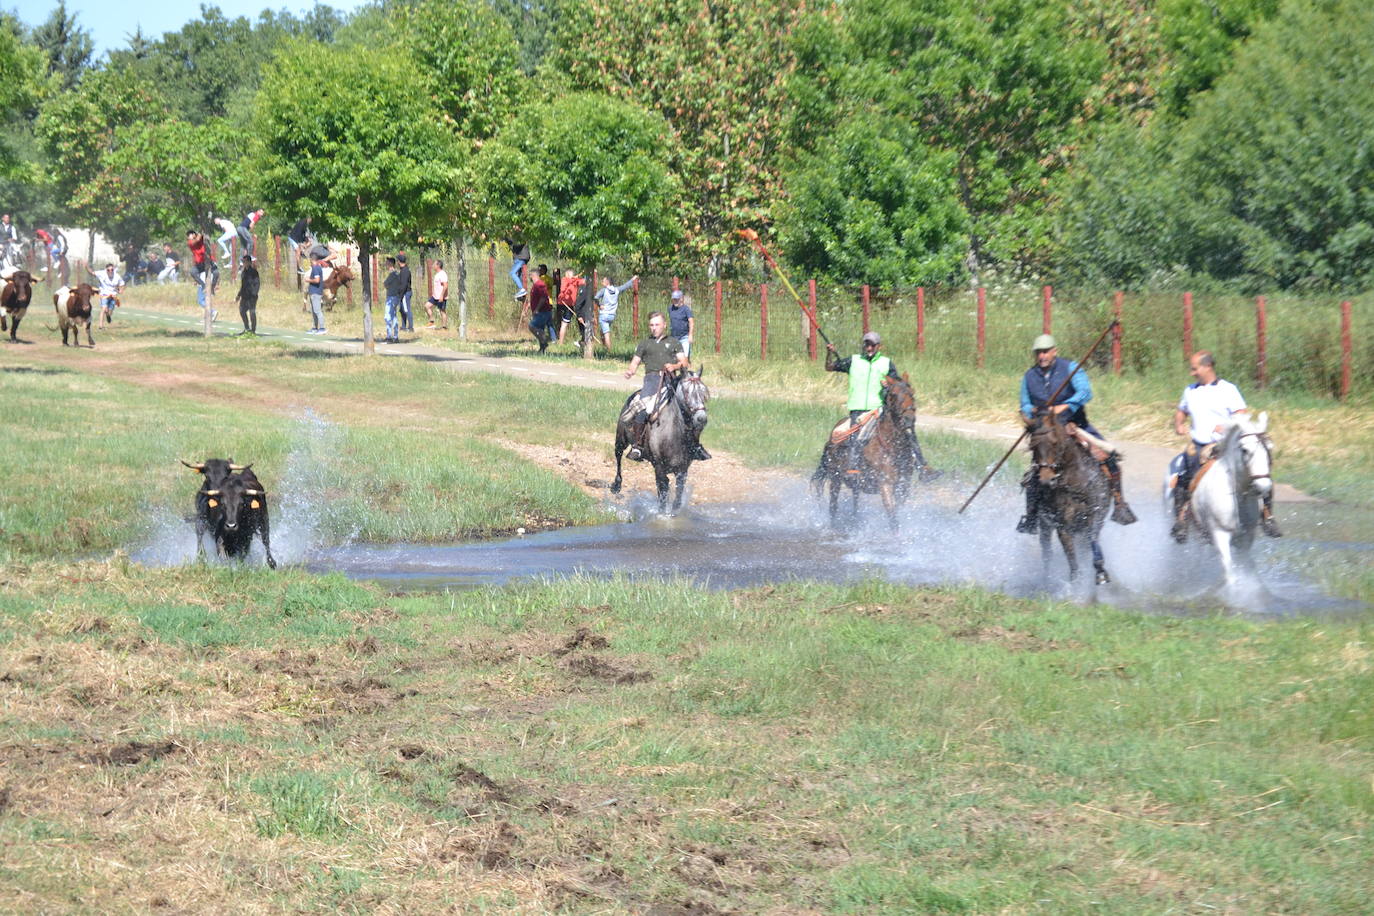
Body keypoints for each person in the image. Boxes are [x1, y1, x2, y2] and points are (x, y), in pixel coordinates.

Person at [1017, 333, 1134, 533]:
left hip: (1075, 425)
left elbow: (1085, 392)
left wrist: (1064, 406)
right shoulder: (1029, 376)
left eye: (1045, 352)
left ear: (1055, 351)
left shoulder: (1070, 368)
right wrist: (1033, 412)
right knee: (1034, 475)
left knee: (1109, 458)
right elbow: (1025, 403)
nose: (1042, 356)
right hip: (1046, 431)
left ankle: (1119, 504)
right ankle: (1031, 516)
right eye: (1038, 353)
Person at [1169, 350, 1279, 541]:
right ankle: (1181, 520)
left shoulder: (1228, 389)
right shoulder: (1190, 390)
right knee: (1184, 471)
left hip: (1225, 444)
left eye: (1195, 369)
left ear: (1207, 366)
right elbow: (1181, 411)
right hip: (1199, 443)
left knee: (1259, 470)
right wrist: (1179, 424)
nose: (1192, 373)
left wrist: (1227, 426)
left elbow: (1241, 414)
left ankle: (1268, 515)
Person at [825, 331, 938, 480]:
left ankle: (922, 466)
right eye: (866, 344)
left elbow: (898, 385)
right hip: (858, 408)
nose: (869, 348)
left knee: (908, 431)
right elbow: (829, 367)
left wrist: (888, 386)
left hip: (878, 408)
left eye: (872, 345)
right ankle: (853, 467)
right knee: (855, 435)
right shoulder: (854, 361)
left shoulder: (886, 363)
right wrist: (830, 353)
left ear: (879, 346)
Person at [622, 311, 690, 461]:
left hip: (670, 381)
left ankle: (693, 445)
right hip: (651, 381)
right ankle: (638, 446)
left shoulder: (674, 342)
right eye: (651, 325)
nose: (654, 328)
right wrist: (630, 371)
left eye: (657, 324)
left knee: (688, 407)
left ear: (664, 325)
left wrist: (674, 366)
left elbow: (685, 362)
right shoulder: (644, 343)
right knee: (643, 409)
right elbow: (635, 362)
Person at [595, 274, 637, 350]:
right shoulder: (617, 290)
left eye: (603, 281)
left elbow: (595, 297)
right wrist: (633, 279)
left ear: (608, 282)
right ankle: (604, 347)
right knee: (603, 331)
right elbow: (625, 286)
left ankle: (609, 351)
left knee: (606, 333)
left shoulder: (604, 290)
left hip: (604, 314)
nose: (602, 282)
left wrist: (599, 305)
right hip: (612, 315)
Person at [186, 230, 219, 321]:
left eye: (191, 234)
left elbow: (204, 238)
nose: (190, 237)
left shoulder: (201, 239)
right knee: (193, 272)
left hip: (207, 261)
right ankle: (203, 285)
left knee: (216, 273)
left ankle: (213, 287)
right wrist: (198, 235)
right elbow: (195, 241)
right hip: (199, 264)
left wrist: (202, 234)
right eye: (189, 236)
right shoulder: (191, 242)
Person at [90, 262, 124, 328]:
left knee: (110, 310)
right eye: (108, 270)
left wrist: (121, 290)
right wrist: (86, 266)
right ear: (106, 270)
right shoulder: (102, 273)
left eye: (112, 270)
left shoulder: (117, 276)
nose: (110, 271)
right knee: (104, 308)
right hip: (104, 294)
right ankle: (100, 325)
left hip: (113, 295)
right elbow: (92, 273)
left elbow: (122, 284)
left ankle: (108, 315)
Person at [233, 254, 260, 336]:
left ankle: (253, 330)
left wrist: (254, 294)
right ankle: (247, 328)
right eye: (243, 261)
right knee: (242, 311)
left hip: (252, 296)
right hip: (244, 296)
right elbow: (243, 285)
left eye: (245, 261)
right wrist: (238, 295)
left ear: (249, 262)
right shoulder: (243, 272)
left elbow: (257, 284)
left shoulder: (254, 272)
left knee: (252, 312)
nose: (243, 263)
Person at [528, 268, 554, 351]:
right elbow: (536, 298)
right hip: (540, 311)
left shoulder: (540, 284)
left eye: (530, 276)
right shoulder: (535, 285)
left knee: (532, 326)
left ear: (533, 275)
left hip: (543, 311)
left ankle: (544, 341)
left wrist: (537, 309)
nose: (529, 278)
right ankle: (542, 348)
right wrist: (529, 305)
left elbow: (543, 298)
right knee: (540, 329)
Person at [556, 270, 584, 345]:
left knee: (564, 323)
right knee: (564, 324)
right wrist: (575, 278)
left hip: (569, 304)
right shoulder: (564, 279)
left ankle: (561, 342)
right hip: (565, 304)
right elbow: (563, 289)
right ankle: (560, 343)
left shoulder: (575, 280)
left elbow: (584, 281)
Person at [382, 255, 404, 343]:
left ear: (390, 264)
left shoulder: (392, 274)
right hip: (396, 297)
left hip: (391, 296)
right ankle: (395, 336)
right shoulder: (397, 274)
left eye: (387, 263)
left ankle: (389, 336)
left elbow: (385, 284)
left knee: (387, 316)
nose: (385, 264)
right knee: (394, 316)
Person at [425, 259, 449, 329]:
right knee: (427, 306)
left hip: (441, 297)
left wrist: (441, 296)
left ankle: (444, 327)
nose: (433, 265)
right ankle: (431, 321)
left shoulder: (442, 274)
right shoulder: (437, 274)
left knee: (442, 311)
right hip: (435, 296)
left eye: (434, 264)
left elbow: (445, 286)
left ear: (438, 265)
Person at [306, 256, 327, 334]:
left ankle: (322, 328)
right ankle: (314, 328)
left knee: (317, 311)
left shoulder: (315, 268)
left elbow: (317, 280)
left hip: (315, 293)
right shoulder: (317, 268)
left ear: (312, 260)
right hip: (314, 292)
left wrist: (308, 280)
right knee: (313, 311)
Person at [397, 252, 414, 332]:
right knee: (402, 309)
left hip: (405, 293)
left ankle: (411, 327)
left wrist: (400, 295)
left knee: (407, 309)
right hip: (404, 293)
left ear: (399, 261)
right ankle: (403, 326)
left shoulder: (405, 271)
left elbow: (403, 284)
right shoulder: (404, 270)